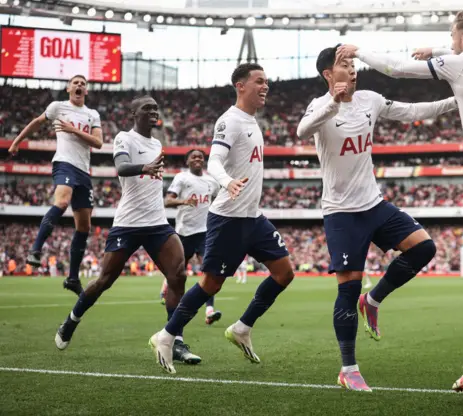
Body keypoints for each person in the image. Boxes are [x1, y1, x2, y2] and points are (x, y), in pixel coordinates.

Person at [336, 10, 463, 391]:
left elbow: (397, 69)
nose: (450, 42)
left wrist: (360, 51)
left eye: (452, 36)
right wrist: (434, 48)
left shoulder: (458, 64)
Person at [296, 45, 457, 391]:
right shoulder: (319, 106)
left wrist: (455, 101)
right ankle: (348, 368)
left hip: (374, 204)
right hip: (341, 213)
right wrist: (333, 104)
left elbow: (412, 110)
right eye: (344, 65)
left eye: (353, 64)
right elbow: (302, 131)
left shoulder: (370, 99)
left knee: (424, 248)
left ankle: (372, 300)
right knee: (347, 286)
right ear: (328, 75)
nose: (353, 69)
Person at [149, 63, 296, 374]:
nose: (265, 86)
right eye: (259, 81)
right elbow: (214, 159)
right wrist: (227, 181)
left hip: (252, 217)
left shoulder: (253, 122)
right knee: (210, 285)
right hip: (228, 218)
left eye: (267, 81)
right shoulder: (229, 121)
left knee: (284, 272)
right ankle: (165, 335)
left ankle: (242, 328)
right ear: (240, 85)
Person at [53, 96, 202, 365]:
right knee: (104, 281)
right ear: (134, 113)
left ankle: (174, 340)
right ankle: (72, 319)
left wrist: (150, 168)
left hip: (157, 222)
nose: (154, 111)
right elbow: (121, 167)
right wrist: (144, 167)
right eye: (147, 108)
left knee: (178, 274)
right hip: (129, 223)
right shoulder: (124, 138)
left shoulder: (157, 143)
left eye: (156, 108)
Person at [8, 75, 102, 296]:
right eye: (76, 83)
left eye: (83, 84)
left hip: (83, 171)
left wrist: (74, 130)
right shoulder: (58, 107)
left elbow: (98, 142)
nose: (79, 85)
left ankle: (72, 278)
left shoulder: (92, 114)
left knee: (84, 227)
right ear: (69, 88)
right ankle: (36, 249)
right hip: (64, 164)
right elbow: (36, 122)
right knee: (61, 200)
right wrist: (16, 141)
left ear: (86, 91)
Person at [161, 148, 223, 325]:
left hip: (205, 232)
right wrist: (184, 201)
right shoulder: (182, 178)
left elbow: (218, 201)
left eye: (201, 157)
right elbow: (168, 200)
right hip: (184, 232)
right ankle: (167, 289)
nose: (197, 159)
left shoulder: (212, 181)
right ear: (187, 161)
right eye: (193, 157)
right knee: (178, 273)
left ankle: (209, 310)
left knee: (210, 271)